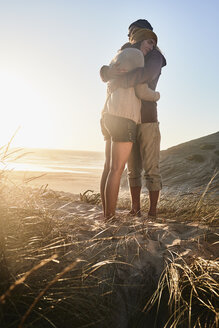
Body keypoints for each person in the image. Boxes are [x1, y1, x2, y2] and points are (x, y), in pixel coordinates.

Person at [100, 19, 167, 219]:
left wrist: (116, 79)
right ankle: (134, 209)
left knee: (151, 167)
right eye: (130, 33)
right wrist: (107, 73)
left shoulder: (155, 55)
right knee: (131, 168)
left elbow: (143, 77)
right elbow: (107, 69)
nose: (131, 37)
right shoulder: (130, 52)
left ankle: (152, 212)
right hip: (127, 116)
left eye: (136, 33)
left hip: (146, 118)